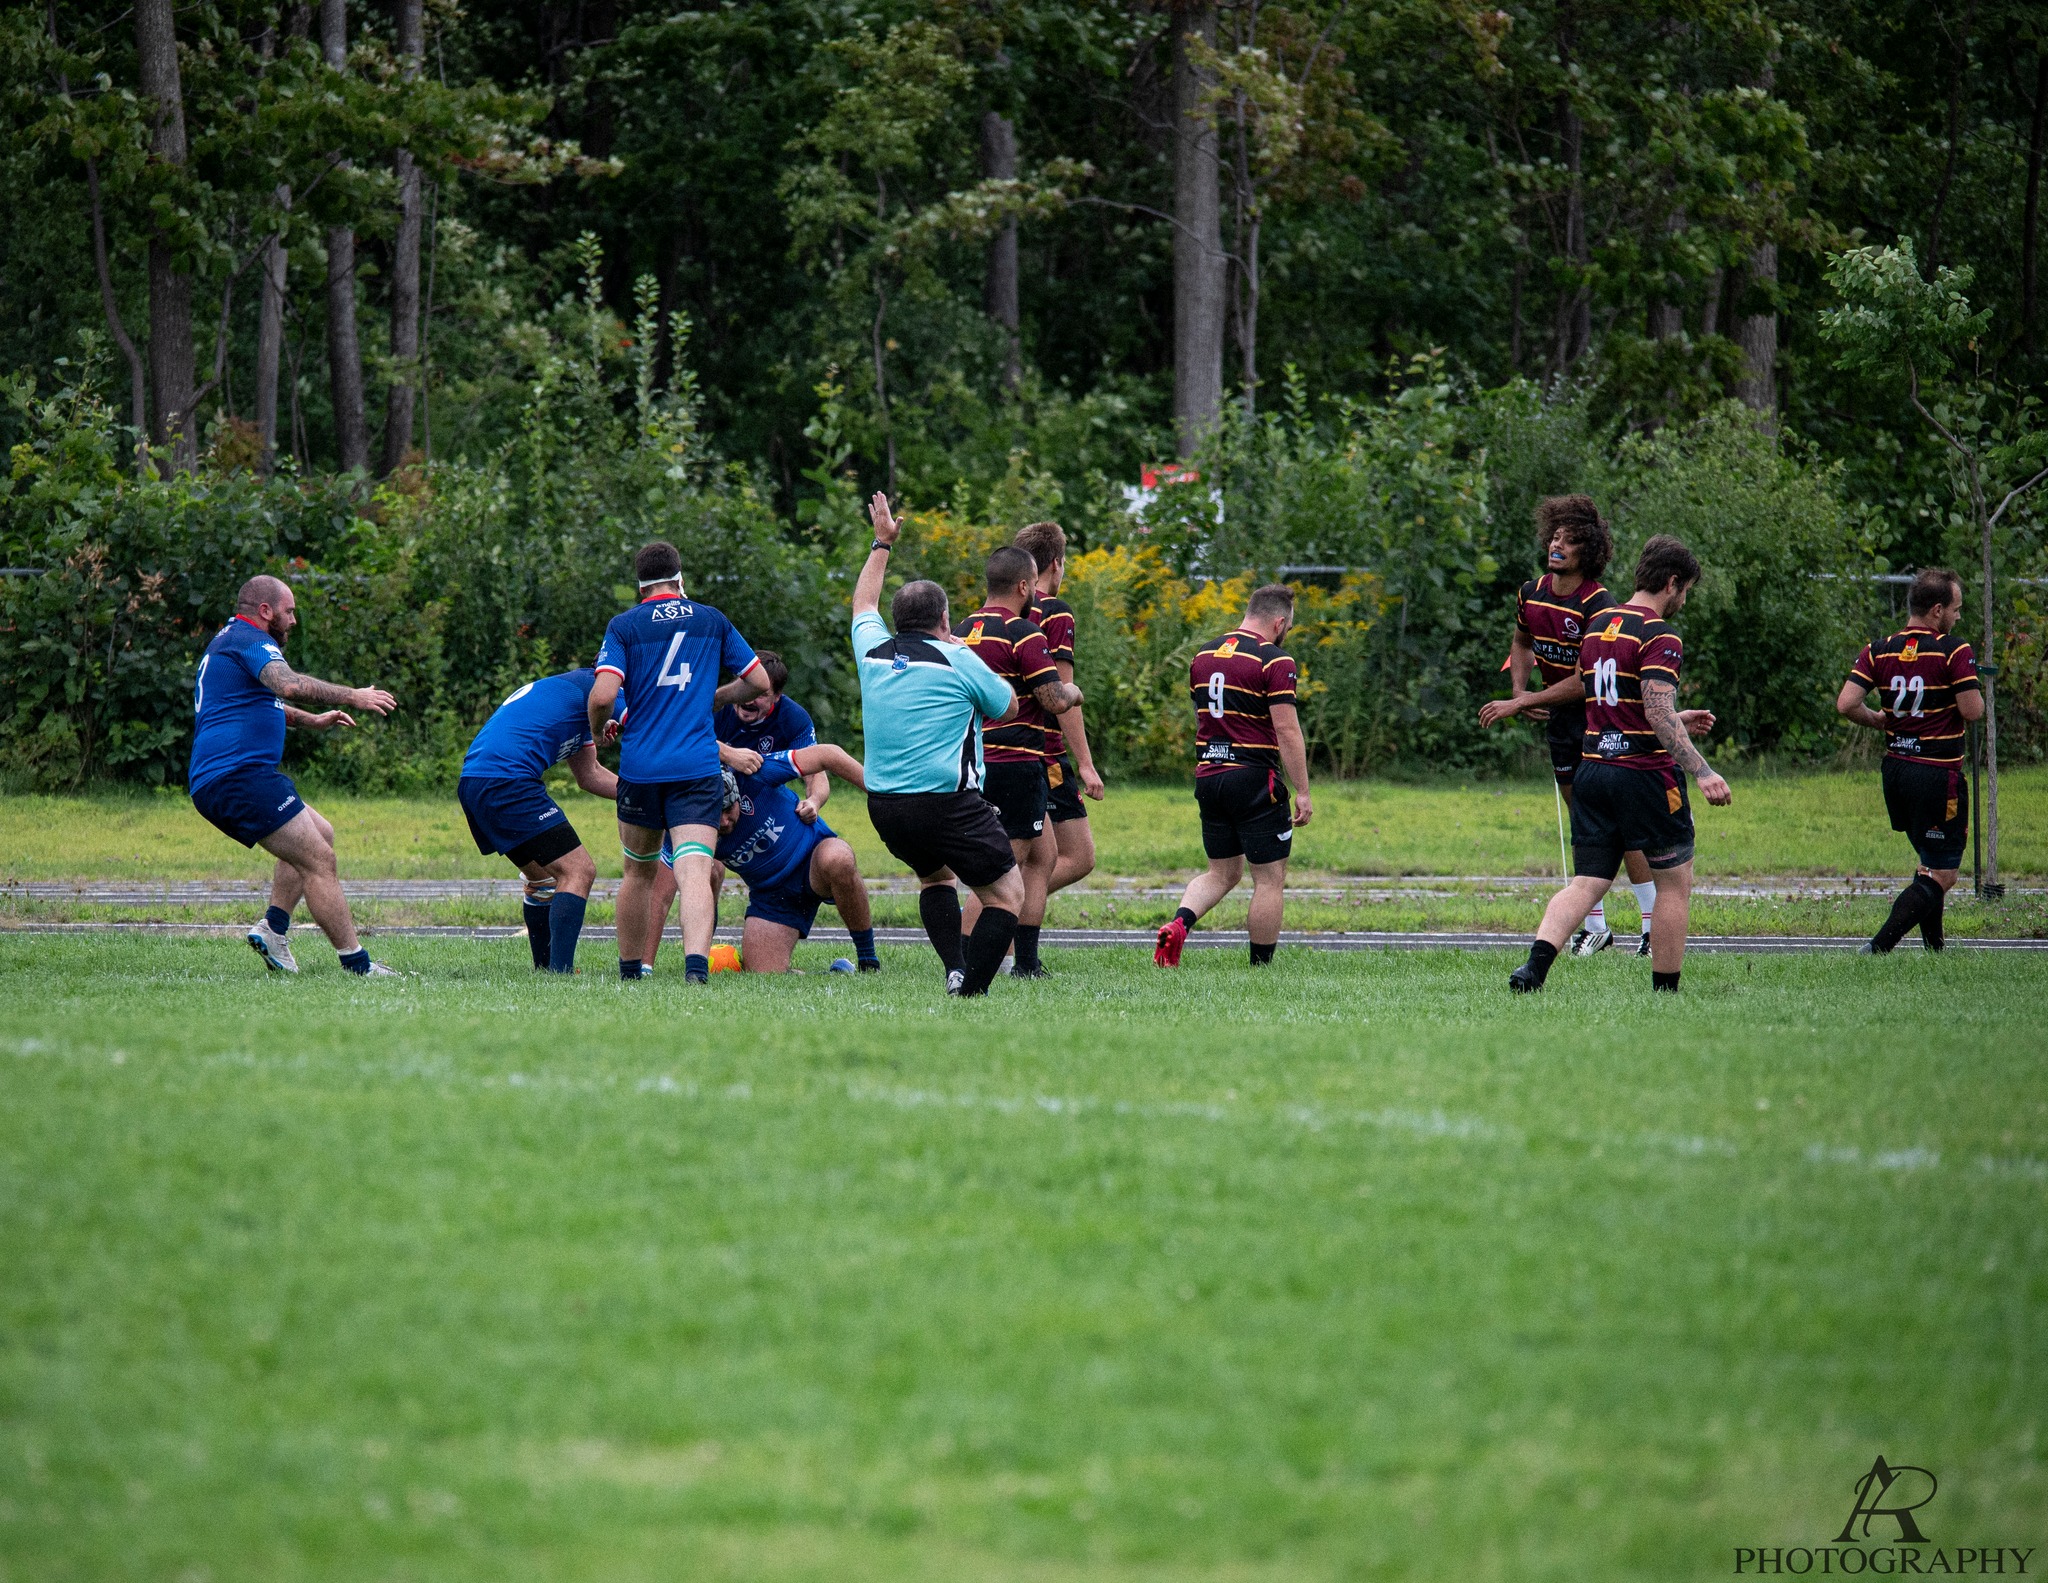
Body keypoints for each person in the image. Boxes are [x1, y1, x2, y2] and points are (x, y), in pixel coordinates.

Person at [1508, 535, 1732, 994]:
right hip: (1644, 775)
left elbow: (1613, 705)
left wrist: (1677, 719)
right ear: (1671, 583)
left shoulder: (1597, 625)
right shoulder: (1659, 635)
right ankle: (1665, 991)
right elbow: (1656, 711)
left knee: (1587, 882)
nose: (1684, 600)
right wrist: (1703, 770)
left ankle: (1532, 969)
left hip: (1593, 769)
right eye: (1686, 590)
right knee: (1673, 884)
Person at [854, 494, 1031, 997]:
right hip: (948, 803)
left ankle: (955, 968)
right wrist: (967, 657)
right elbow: (1009, 708)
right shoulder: (959, 658)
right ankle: (971, 993)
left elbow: (863, 604)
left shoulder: (872, 652)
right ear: (945, 618)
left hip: (885, 805)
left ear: (898, 620)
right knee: (1006, 895)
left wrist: (881, 544)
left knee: (936, 879)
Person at [187, 573, 400, 976]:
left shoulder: (228, 640)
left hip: (230, 777)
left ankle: (273, 929)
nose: (294, 620)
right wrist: (353, 695)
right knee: (320, 860)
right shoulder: (251, 640)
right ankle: (358, 965)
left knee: (321, 834)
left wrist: (311, 721)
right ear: (265, 611)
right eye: (289, 611)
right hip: (238, 777)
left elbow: (257, 703)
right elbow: (287, 686)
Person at [1478, 495, 1662, 957]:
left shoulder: (1599, 603)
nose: (1557, 545)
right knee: (1583, 821)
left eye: (1571, 540)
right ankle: (1595, 929)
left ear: (1590, 551)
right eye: (1555, 536)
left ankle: (1651, 927)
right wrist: (1520, 691)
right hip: (1560, 721)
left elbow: (1585, 679)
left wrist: (1525, 702)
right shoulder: (1531, 592)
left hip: (1601, 718)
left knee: (1622, 824)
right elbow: (1522, 642)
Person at [588, 540, 768, 984]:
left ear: (641, 587)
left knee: (638, 872)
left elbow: (604, 695)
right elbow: (759, 681)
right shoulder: (711, 619)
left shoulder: (624, 626)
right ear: (679, 579)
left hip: (641, 769)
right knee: (694, 869)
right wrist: (716, 698)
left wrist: (596, 732)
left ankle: (630, 972)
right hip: (696, 768)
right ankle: (695, 970)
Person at [1154, 583, 1313, 968]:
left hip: (1209, 774)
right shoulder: (1275, 661)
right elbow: (1286, 730)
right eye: (1289, 628)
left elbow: (1205, 716)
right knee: (1269, 879)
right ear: (1279, 623)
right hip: (1254, 778)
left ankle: (1179, 924)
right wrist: (1303, 791)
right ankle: (1260, 967)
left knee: (1222, 872)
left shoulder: (1203, 655)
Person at [952, 544, 1085, 978]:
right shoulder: (1023, 632)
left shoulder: (962, 630)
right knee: (1003, 870)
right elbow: (1054, 699)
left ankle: (1026, 962)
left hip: (974, 759)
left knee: (1044, 856)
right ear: (1024, 586)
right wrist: (1075, 693)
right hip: (1016, 761)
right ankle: (963, 963)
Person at [1835, 567, 1983, 953]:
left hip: (1897, 771)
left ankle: (1936, 949)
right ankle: (1878, 948)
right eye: (1956, 609)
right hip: (1937, 775)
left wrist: (1877, 719)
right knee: (1944, 873)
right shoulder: (1954, 650)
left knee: (1928, 863)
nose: (1958, 617)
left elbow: (1847, 704)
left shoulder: (1879, 649)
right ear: (1937, 610)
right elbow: (1972, 711)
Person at [646, 745, 876, 973]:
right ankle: (835, 972)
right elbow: (660, 896)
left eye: (729, 810)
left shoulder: (755, 776)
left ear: (737, 796)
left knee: (838, 858)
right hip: (772, 896)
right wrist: (645, 966)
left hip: (813, 862)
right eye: (715, 815)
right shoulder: (689, 826)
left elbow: (828, 755)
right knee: (762, 972)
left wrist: (879, 793)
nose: (724, 822)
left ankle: (868, 959)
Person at [456, 667, 620, 974]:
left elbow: (590, 775)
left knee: (543, 880)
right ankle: (561, 974)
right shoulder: (604, 688)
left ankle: (546, 972)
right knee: (579, 871)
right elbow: (656, 727)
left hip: (476, 780)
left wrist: (639, 796)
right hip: (507, 780)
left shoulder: (578, 694)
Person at [1016, 520, 1106, 903]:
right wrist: (1085, 763)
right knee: (1078, 856)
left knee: (1037, 856)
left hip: (1000, 746)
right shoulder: (1054, 612)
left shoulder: (1000, 612)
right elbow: (1063, 694)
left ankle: (1004, 916)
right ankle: (1001, 910)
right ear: (1056, 563)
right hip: (1045, 751)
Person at [714, 649, 833, 823]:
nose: (748, 700)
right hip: (706, 796)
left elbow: (816, 772)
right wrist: (729, 754)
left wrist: (813, 802)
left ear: (777, 696)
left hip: (760, 804)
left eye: (760, 694)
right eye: (745, 690)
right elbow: (682, 741)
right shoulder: (715, 704)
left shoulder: (793, 718)